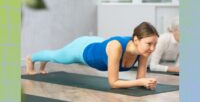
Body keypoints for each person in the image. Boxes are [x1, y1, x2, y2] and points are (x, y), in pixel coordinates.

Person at [26, 22, 159, 90]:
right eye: (149, 44)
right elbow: (113, 83)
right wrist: (141, 82)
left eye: (155, 44)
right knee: (57, 56)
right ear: (136, 40)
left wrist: (146, 83)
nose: (152, 48)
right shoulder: (116, 47)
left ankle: (44, 61)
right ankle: (31, 59)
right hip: (82, 49)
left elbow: (140, 78)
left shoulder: (144, 50)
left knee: (55, 56)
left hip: (98, 43)